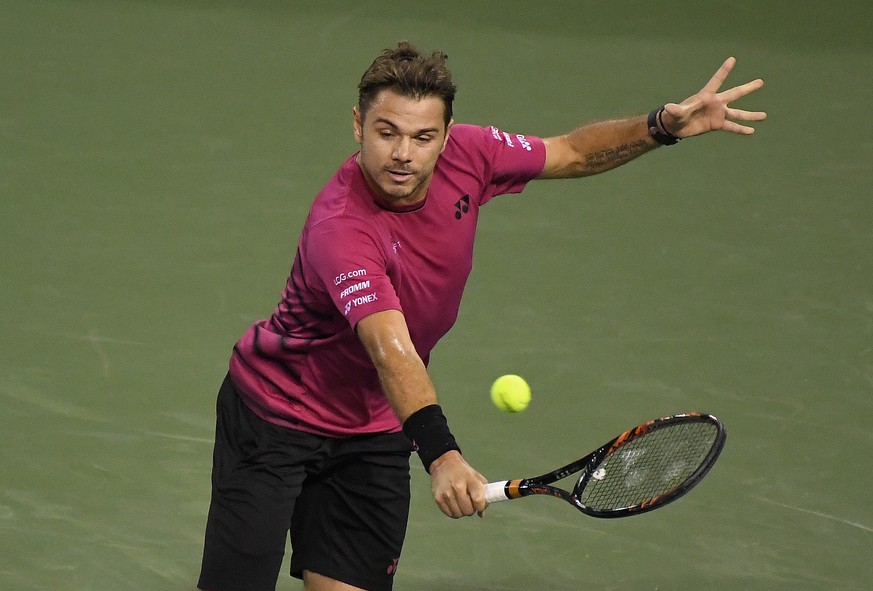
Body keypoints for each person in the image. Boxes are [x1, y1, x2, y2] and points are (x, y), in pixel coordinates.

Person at [197, 41, 765, 591]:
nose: (403, 153)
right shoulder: (342, 229)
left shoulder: (472, 154)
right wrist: (442, 454)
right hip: (275, 419)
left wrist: (659, 126)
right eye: (386, 132)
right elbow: (390, 348)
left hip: (372, 429)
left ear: (445, 137)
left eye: (423, 137)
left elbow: (569, 150)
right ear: (357, 125)